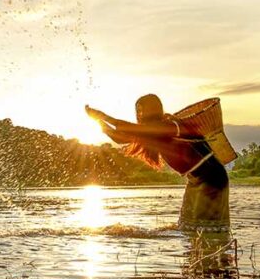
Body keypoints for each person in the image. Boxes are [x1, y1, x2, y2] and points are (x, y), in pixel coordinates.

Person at [86, 95, 229, 229]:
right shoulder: (151, 132)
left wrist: (102, 116)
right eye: (137, 111)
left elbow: (125, 127)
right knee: (188, 226)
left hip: (211, 177)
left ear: (152, 110)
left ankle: (216, 247)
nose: (139, 114)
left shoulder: (170, 126)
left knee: (203, 228)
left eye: (141, 110)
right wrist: (98, 122)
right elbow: (119, 137)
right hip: (196, 178)